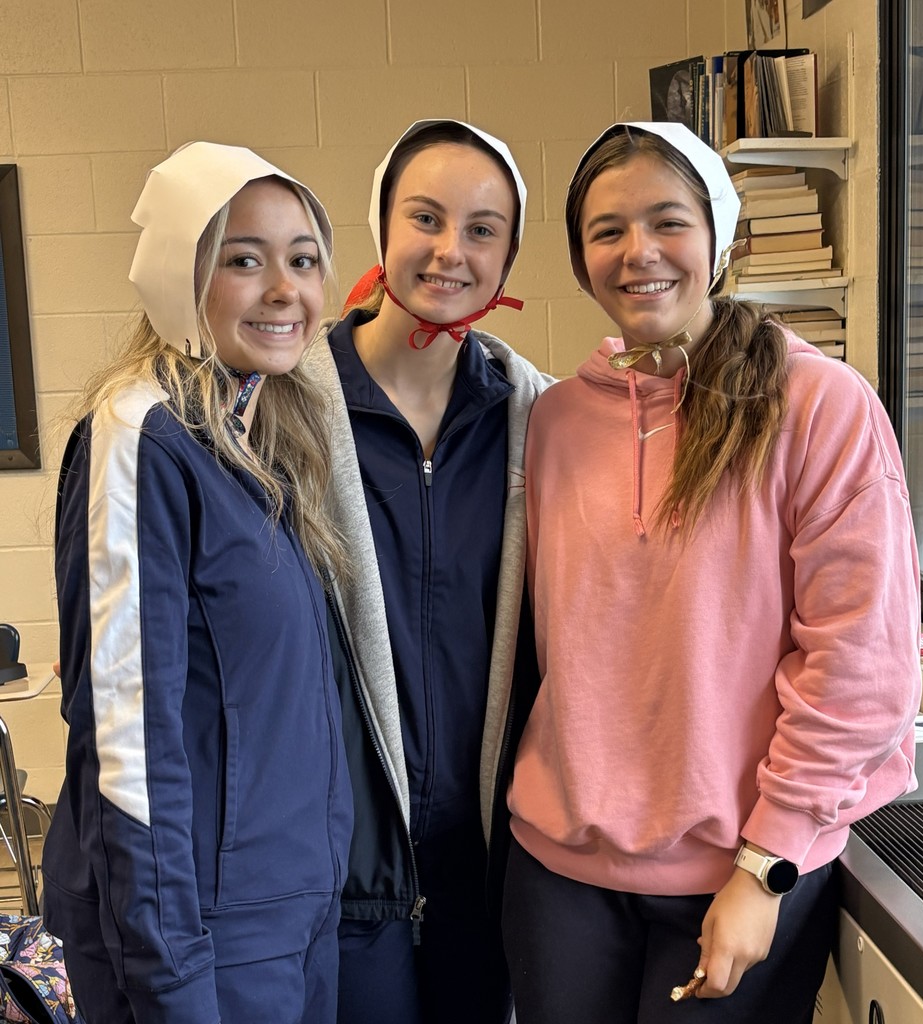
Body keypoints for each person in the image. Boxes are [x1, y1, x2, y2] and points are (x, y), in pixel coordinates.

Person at [502, 121, 922, 1024]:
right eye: (607, 230)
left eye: (667, 221)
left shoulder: (818, 406)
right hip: (559, 874)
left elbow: (861, 663)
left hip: (741, 873)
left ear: (719, 238)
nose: (638, 252)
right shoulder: (554, 423)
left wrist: (766, 868)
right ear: (579, 260)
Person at [41, 142, 354, 1024]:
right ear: (181, 274)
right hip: (201, 941)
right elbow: (127, 741)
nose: (285, 288)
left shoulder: (264, 442)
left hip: (288, 921)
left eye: (303, 260)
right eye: (244, 259)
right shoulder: (141, 433)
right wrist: (170, 971)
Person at [303, 119, 551, 1024]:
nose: (452, 252)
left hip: (487, 866)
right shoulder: (288, 409)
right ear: (382, 227)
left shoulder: (538, 419)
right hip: (344, 874)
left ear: (509, 255)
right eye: (427, 218)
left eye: (483, 230)